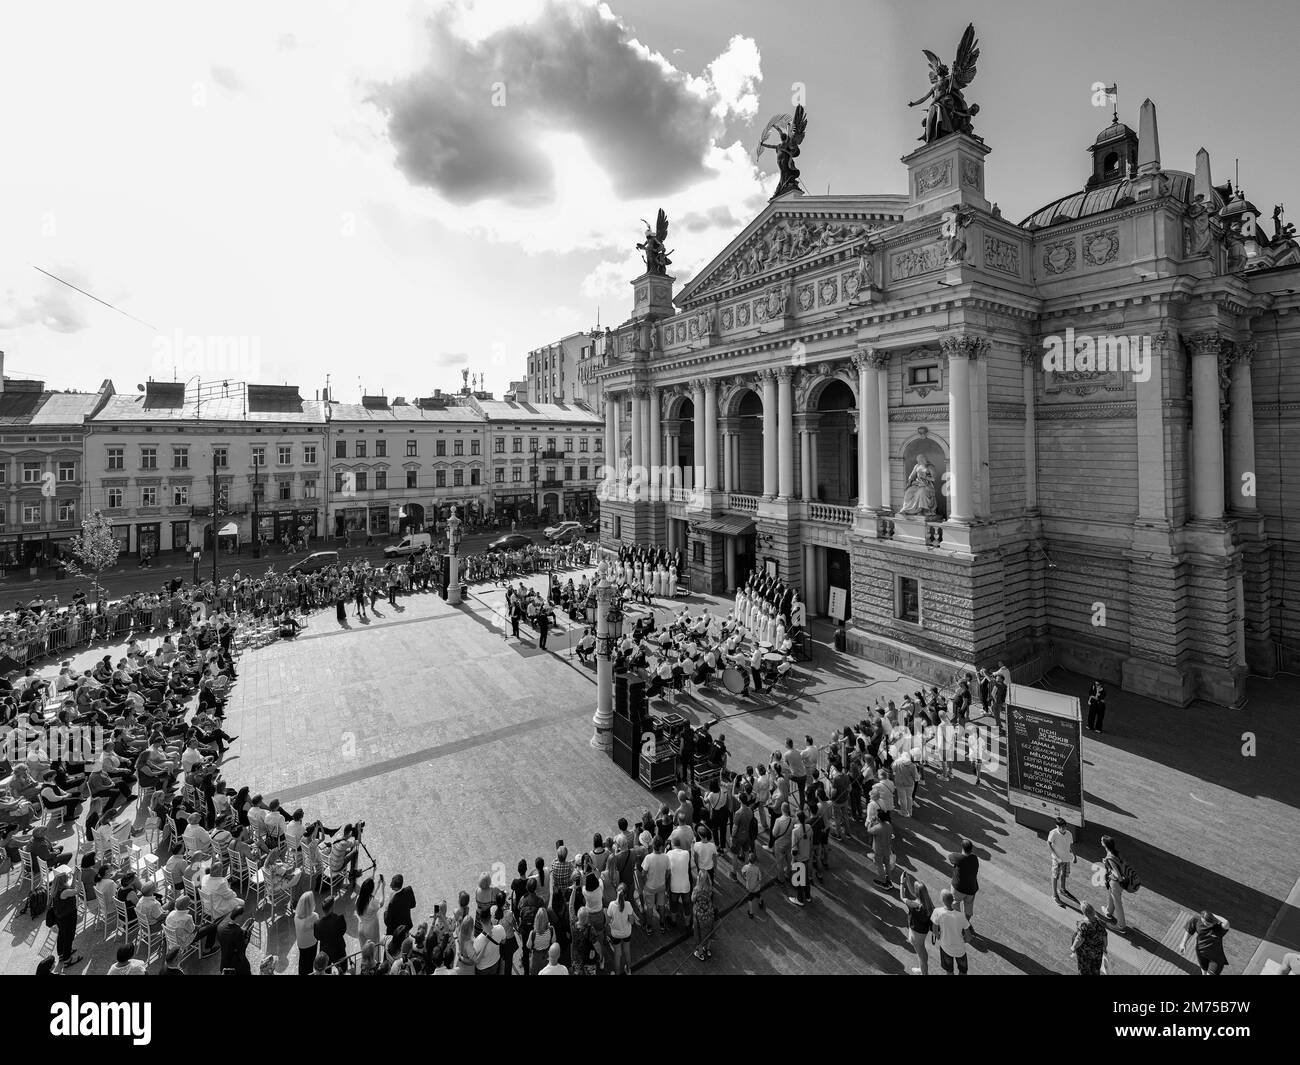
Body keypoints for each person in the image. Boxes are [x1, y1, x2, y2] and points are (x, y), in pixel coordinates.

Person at [900, 872, 934, 975]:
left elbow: (902, 897)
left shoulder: (914, 905)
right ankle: (922, 969)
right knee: (922, 953)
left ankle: (924, 973)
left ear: (917, 893)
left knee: (921, 956)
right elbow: (914, 893)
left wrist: (902, 882)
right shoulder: (927, 902)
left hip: (915, 935)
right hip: (923, 932)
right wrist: (908, 881)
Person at [930, 888, 970, 975]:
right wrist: (964, 941)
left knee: (949, 971)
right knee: (963, 971)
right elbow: (968, 936)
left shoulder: (937, 912)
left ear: (942, 900)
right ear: (953, 901)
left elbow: (934, 930)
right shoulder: (961, 915)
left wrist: (939, 937)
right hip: (960, 949)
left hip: (945, 947)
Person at [49, 871, 82, 972]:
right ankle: (68, 959)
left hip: (60, 917)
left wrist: (75, 876)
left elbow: (70, 889)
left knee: (62, 935)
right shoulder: (65, 892)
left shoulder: (55, 890)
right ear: (63, 881)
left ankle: (62, 954)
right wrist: (79, 879)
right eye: (67, 878)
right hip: (68, 917)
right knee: (69, 936)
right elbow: (77, 891)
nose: (68, 878)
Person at [1180, 910, 1230, 975]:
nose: (1206, 924)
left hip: (1216, 959)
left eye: (1209, 924)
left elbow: (1226, 922)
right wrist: (1183, 943)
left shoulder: (1218, 929)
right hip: (1201, 954)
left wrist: (1212, 914)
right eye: (1204, 922)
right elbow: (1190, 929)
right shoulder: (1196, 919)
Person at [946, 838, 979, 931]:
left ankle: (959, 922)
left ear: (962, 848)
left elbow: (950, 856)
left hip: (958, 889)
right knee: (968, 908)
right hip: (971, 889)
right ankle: (966, 923)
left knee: (955, 905)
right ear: (971, 849)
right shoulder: (975, 858)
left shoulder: (958, 857)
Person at [606, 884, 638, 975]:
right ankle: (628, 970)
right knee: (627, 951)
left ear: (617, 891)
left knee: (617, 954)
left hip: (615, 934)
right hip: (626, 933)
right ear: (626, 895)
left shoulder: (611, 905)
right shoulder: (628, 905)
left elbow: (608, 921)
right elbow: (631, 921)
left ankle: (616, 973)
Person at [1099, 835, 1129, 933]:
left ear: (1105, 844)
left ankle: (1121, 925)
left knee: (1118, 903)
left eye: (1102, 840)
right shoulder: (1117, 853)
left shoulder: (1109, 857)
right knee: (1111, 896)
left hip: (1116, 883)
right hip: (1120, 882)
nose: (1100, 841)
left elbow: (1116, 873)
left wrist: (1111, 873)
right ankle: (1108, 911)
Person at [1071, 902, 1110, 975]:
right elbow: (1105, 936)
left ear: (1084, 913)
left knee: (1084, 970)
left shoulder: (1083, 925)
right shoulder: (1099, 922)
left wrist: (1073, 947)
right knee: (1095, 969)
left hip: (1086, 953)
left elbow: (1080, 939)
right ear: (1093, 911)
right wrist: (1104, 947)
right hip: (1097, 952)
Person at [1047, 817, 1078, 907]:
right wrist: (1056, 857)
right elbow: (1048, 844)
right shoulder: (1053, 833)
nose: (1064, 828)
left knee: (1064, 875)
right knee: (1055, 876)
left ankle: (1062, 889)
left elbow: (1070, 845)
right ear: (1057, 826)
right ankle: (1054, 895)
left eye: (1065, 826)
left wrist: (1074, 856)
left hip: (1066, 858)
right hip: (1056, 860)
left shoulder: (1069, 834)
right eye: (1061, 827)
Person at [313, 894, 349, 972]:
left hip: (326, 952)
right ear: (332, 907)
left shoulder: (317, 924)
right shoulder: (339, 919)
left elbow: (317, 937)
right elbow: (343, 931)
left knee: (326, 971)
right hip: (339, 949)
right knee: (343, 969)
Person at [217, 903, 253, 975]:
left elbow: (229, 937)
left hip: (224, 960)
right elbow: (242, 947)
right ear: (238, 917)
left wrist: (242, 928)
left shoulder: (221, 926)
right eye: (242, 916)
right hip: (236, 962)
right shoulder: (237, 931)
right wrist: (248, 933)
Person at [294, 891, 319, 975]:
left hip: (301, 944)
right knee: (310, 962)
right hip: (312, 942)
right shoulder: (314, 916)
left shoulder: (296, 917)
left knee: (302, 961)